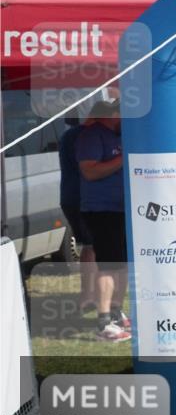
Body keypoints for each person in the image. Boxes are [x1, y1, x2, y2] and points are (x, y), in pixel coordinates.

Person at [75, 100, 130, 342]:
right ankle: (104, 322)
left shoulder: (117, 135)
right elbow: (89, 171)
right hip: (101, 210)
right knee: (109, 265)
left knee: (123, 264)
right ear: (114, 114)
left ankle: (116, 312)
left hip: (122, 209)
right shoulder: (92, 136)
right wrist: (123, 158)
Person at [58, 116, 97, 313]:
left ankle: (88, 296)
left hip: (70, 197)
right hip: (84, 198)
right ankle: (89, 297)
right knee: (93, 248)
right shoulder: (88, 137)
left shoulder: (69, 135)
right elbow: (91, 170)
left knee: (89, 247)